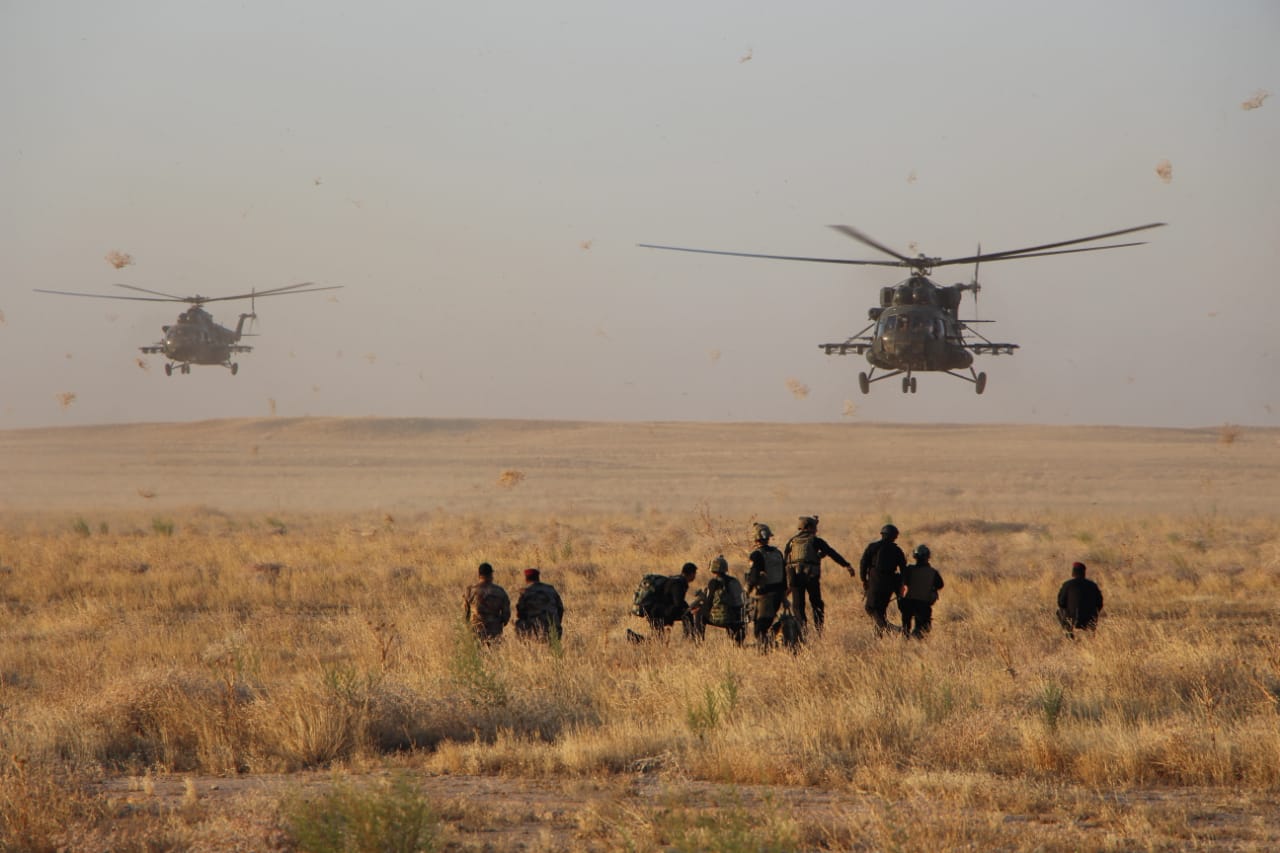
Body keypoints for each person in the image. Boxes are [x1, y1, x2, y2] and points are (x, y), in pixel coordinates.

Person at [783, 515, 852, 635]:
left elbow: (785, 562)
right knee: (817, 604)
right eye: (814, 527)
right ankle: (819, 631)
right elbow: (831, 552)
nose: (816, 530)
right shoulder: (815, 540)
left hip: (795, 578)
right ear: (809, 527)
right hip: (811, 577)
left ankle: (802, 632)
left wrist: (786, 585)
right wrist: (846, 565)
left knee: (798, 607)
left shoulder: (791, 542)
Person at [627, 562, 698, 642]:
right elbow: (678, 603)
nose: (695, 576)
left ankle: (634, 637)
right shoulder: (678, 583)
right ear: (691, 573)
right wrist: (690, 609)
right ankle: (689, 638)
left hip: (655, 611)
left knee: (658, 639)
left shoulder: (675, 580)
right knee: (687, 614)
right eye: (694, 574)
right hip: (658, 612)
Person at [684, 555, 747, 645]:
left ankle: (698, 641)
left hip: (721, 617)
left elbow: (708, 603)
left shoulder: (713, 582)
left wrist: (699, 608)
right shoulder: (734, 581)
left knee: (699, 614)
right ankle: (737, 642)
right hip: (736, 616)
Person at [859, 523, 907, 636]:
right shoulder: (897, 550)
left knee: (870, 608)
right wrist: (902, 584)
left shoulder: (873, 547)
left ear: (882, 534)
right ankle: (879, 637)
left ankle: (891, 629)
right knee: (880, 610)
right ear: (894, 536)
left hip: (875, 581)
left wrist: (864, 579)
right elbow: (903, 569)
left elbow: (863, 563)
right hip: (889, 584)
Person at [746, 523, 787, 648]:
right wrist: (784, 597)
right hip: (778, 594)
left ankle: (765, 650)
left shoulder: (756, 555)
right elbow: (784, 576)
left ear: (755, 538)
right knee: (769, 622)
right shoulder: (777, 553)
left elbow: (753, 577)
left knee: (760, 629)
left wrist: (747, 590)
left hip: (765, 596)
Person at [898, 544, 944, 638]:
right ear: (928, 557)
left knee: (906, 627)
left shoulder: (909, 570)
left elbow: (901, 582)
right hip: (923, 604)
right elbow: (940, 585)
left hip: (907, 603)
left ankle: (906, 638)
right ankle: (916, 639)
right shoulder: (932, 572)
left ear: (915, 557)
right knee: (923, 629)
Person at [462, 562, 511, 644]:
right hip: (494, 631)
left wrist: (468, 626)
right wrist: (499, 624)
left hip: (475, 630)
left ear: (479, 575)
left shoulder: (470, 590)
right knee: (494, 651)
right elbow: (506, 614)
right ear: (491, 575)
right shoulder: (499, 591)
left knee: (476, 651)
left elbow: (465, 612)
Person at [515, 568, 565, 641]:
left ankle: (525, 644)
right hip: (554, 629)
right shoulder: (550, 589)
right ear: (538, 577)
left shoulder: (526, 591)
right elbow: (560, 608)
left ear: (526, 578)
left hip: (535, 630)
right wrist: (556, 623)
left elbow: (520, 613)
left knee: (519, 623)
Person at [1057, 561, 1103, 637]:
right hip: (1089, 619)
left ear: (1073, 572)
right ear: (1084, 573)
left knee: (1060, 612)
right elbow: (1099, 604)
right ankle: (1090, 636)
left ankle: (1069, 634)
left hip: (1072, 618)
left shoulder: (1067, 584)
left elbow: (1061, 603)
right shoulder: (1093, 585)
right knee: (1094, 614)